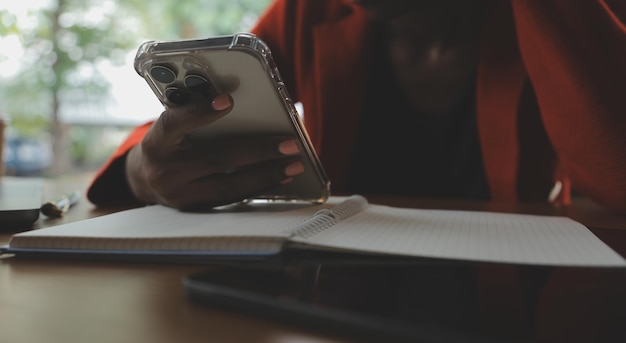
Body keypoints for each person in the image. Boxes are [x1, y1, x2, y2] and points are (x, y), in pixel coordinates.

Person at [86, 0, 626, 214]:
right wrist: (145, 171)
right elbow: (187, 128)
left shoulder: (568, 15)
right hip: (338, 295)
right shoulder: (311, 11)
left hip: (525, 304)